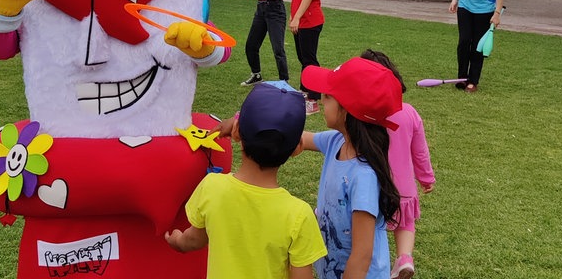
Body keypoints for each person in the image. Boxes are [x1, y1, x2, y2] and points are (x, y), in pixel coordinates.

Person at [165, 83, 327, 279]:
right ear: (298, 148)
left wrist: (178, 241)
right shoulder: (299, 215)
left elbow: (194, 240)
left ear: (236, 132)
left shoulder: (212, 187)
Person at [299, 57, 403, 279]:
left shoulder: (363, 176)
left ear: (347, 110)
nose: (321, 100)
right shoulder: (336, 141)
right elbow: (300, 140)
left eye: (327, 96)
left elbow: (361, 257)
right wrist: (248, 123)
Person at [360, 49, 436, 279]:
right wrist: (426, 178)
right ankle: (404, 257)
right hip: (403, 188)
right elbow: (420, 153)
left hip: (372, 187)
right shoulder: (409, 112)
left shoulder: (362, 114)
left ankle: (374, 262)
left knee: (371, 226)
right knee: (406, 224)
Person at [289, 0, 326, 115]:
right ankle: (305, 93)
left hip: (310, 21)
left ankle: (313, 99)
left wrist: (297, 17)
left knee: (309, 60)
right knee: (303, 58)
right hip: (300, 20)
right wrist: (293, 16)